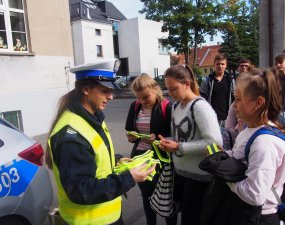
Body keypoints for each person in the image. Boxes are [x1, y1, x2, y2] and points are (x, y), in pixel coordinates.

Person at [45, 59, 155, 225]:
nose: (111, 97)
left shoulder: (92, 117)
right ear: (86, 89)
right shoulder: (71, 136)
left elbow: (95, 156)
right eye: (105, 91)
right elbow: (81, 190)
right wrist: (129, 178)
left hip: (107, 217)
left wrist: (117, 159)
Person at [226, 69, 285, 225]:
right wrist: (225, 156)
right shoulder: (249, 130)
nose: (234, 105)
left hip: (259, 217)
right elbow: (242, 158)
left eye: (238, 99)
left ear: (258, 103)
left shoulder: (265, 143)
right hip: (246, 211)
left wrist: (226, 177)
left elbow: (255, 195)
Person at [159, 64, 223, 225]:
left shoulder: (200, 107)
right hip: (179, 174)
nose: (171, 94)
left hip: (199, 179)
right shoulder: (176, 106)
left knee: (191, 220)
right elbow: (181, 136)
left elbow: (215, 142)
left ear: (187, 84)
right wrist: (166, 141)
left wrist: (179, 147)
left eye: (174, 89)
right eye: (168, 89)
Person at [125, 73, 176, 225]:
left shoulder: (168, 106)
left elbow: (175, 136)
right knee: (147, 197)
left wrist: (159, 138)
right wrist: (132, 137)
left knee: (166, 199)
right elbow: (129, 130)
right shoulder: (135, 106)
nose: (142, 101)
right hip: (140, 157)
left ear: (155, 89)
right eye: (138, 97)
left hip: (161, 159)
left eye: (145, 97)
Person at [200, 53, 235, 127]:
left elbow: (234, 99)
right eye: (218, 64)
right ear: (214, 65)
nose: (220, 66)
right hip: (211, 118)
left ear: (226, 65)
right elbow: (201, 100)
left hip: (227, 118)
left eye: (222, 64)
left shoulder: (231, 81)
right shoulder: (207, 81)